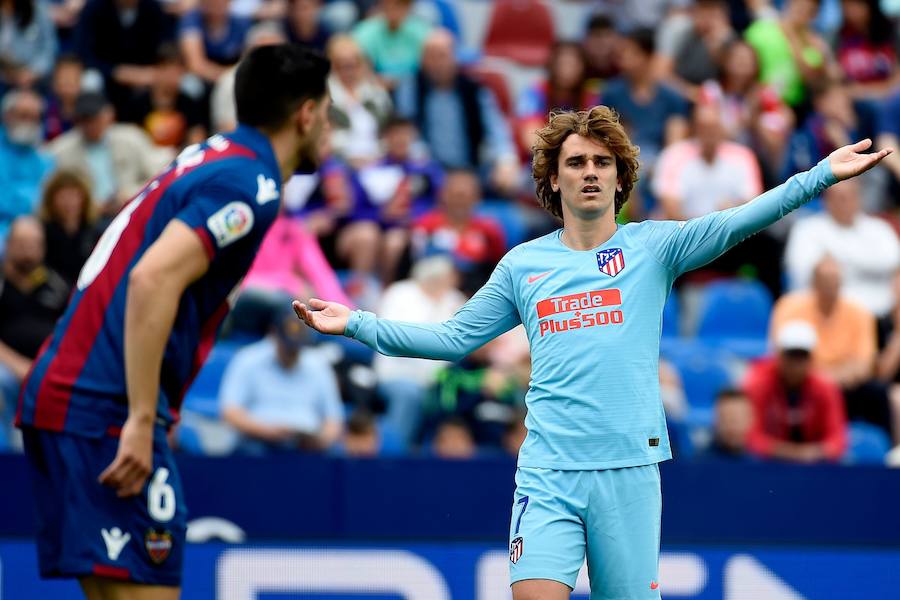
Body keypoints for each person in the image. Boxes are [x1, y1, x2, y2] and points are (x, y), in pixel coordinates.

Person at [294, 104, 892, 598]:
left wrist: (820, 175)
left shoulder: (655, 247)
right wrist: (357, 323)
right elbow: (453, 338)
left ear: (619, 178)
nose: (589, 171)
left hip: (629, 470)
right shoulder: (523, 265)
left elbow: (740, 220)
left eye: (601, 162)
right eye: (575, 161)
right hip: (548, 469)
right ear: (553, 178)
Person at [16, 44, 330, 600]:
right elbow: (151, 279)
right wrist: (140, 415)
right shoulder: (249, 184)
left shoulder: (216, 157)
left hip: (81, 396)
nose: (329, 131)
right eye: (328, 113)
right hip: (104, 406)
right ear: (307, 113)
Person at [220, 307, 344, 454]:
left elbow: (334, 421)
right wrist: (268, 431)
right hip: (258, 442)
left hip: (305, 447)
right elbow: (230, 413)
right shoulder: (248, 359)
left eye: (297, 347)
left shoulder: (318, 364)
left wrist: (319, 440)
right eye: (288, 346)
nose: (292, 352)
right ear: (273, 334)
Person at [744, 320, 848, 463]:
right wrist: (785, 451)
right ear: (779, 356)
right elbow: (751, 435)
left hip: (815, 465)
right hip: (770, 464)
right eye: (791, 356)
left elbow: (837, 440)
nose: (795, 364)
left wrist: (816, 452)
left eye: (802, 357)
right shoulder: (758, 384)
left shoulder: (826, 388)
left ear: (811, 359)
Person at [0, 89, 55, 248]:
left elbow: (51, 197)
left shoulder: (44, 158)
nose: (29, 123)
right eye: (23, 116)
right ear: (7, 116)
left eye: (35, 118)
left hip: (37, 228)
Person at [37, 168, 102, 286]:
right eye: (63, 196)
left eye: (74, 195)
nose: (69, 203)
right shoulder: (42, 232)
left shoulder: (95, 231)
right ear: (51, 200)